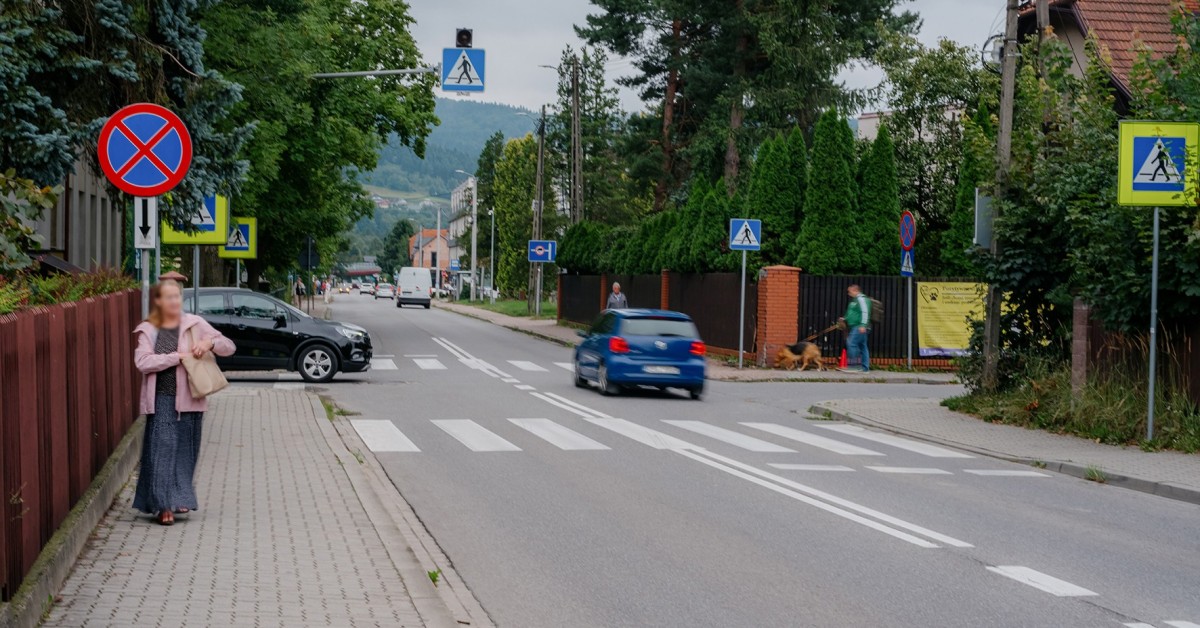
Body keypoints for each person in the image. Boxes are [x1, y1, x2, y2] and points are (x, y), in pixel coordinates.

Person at [132, 280, 236, 526]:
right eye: (168, 298)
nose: (174, 302)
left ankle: (179, 499)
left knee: (184, 454)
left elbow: (228, 347)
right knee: (161, 451)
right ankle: (162, 506)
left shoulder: (194, 324)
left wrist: (208, 343)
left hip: (191, 399)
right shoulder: (149, 329)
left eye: (177, 297)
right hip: (161, 400)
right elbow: (143, 362)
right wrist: (175, 358)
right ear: (158, 301)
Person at [839, 284, 871, 372]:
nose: (849, 294)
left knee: (851, 343)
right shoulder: (855, 300)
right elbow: (853, 313)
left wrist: (863, 325)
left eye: (849, 292)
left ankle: (854, 366)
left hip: (859, 326)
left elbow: (865, 312)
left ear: (855, 290)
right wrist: (845, 318)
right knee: (862, 346)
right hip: (856, 326)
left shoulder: (861, 299)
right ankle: (865, 368)